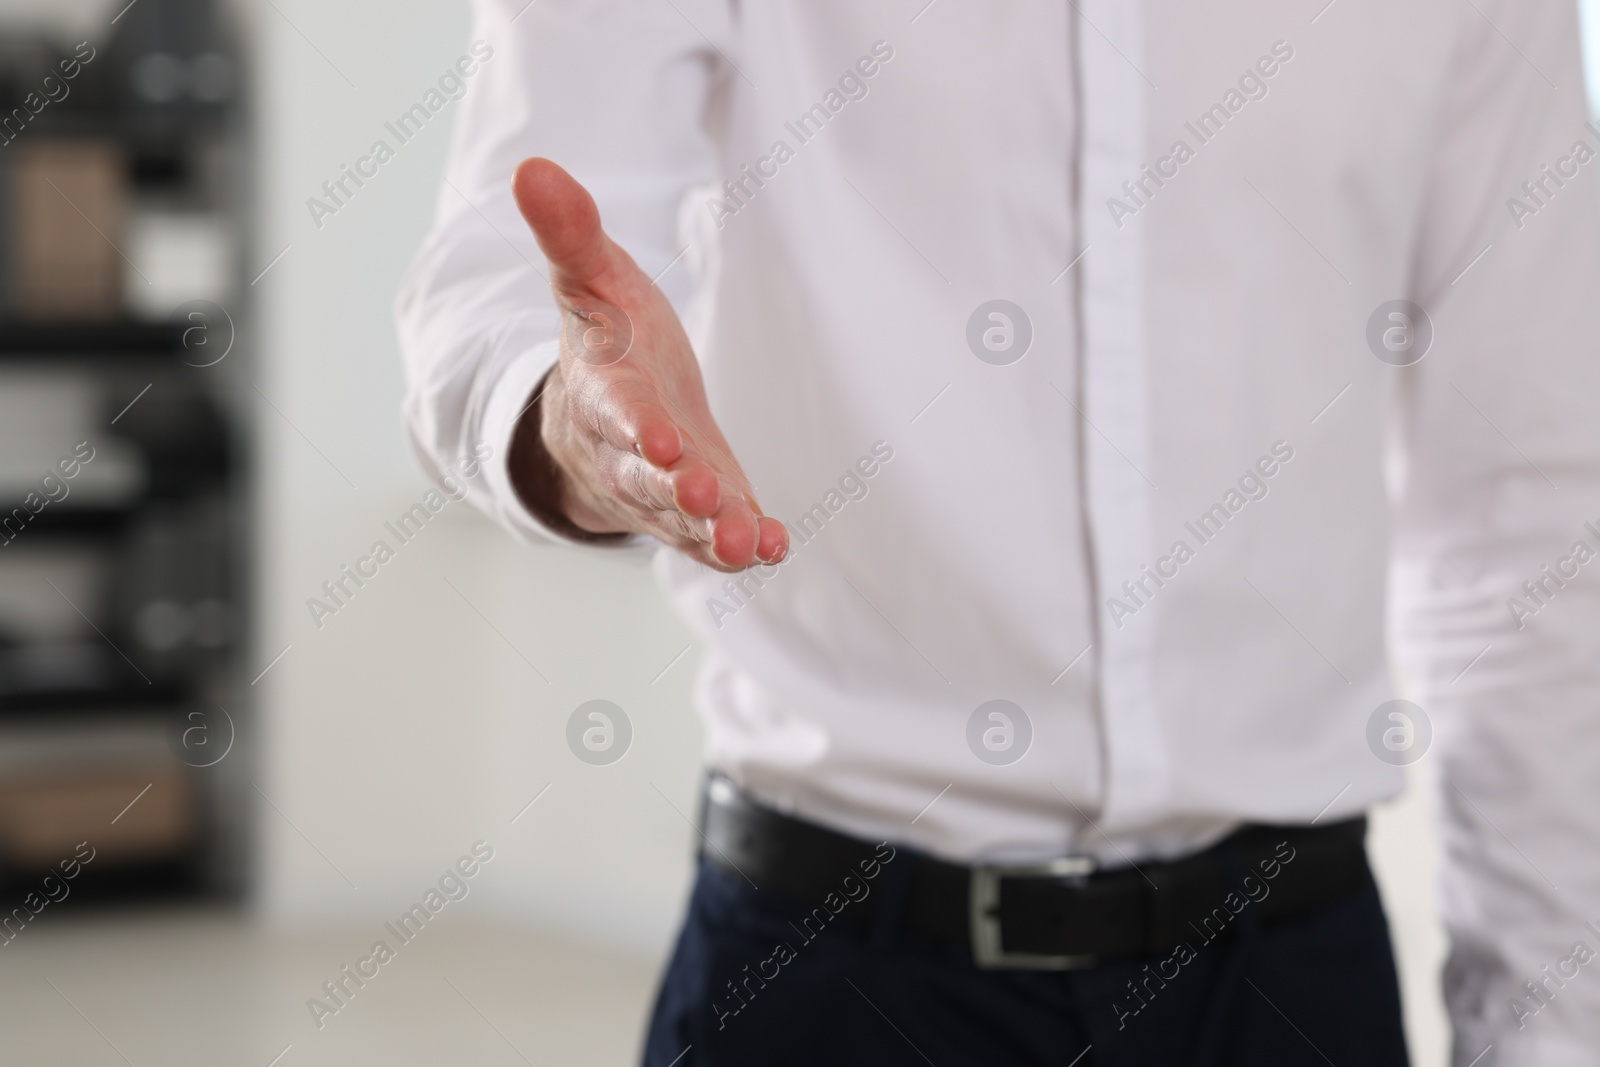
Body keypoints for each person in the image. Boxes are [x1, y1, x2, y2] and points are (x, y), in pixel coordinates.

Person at [396, 2, 1600, 1063]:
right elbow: (501, 285)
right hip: (829, 967)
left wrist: (1550, 1027)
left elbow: (1529, 513)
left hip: (1286, 977)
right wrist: (572, 425)